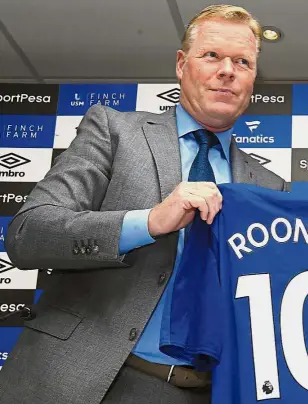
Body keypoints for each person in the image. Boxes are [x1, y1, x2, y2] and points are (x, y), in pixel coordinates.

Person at [0, 5, 286, 404]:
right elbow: (27, 235)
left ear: (253, 78)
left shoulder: (272, 187)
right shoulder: (113, 130)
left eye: (243, 61)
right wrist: (148, 222)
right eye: (212, 56)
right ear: (182, 64)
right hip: (77, 378)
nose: (228, 70)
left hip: (200, 391)